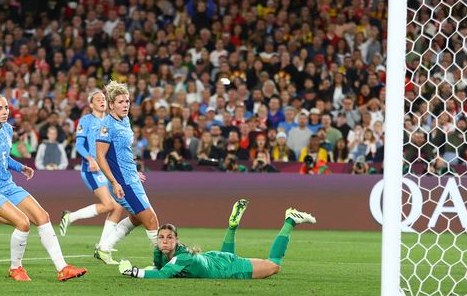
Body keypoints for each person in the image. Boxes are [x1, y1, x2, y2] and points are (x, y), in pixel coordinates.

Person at [0, 92, 87, 281]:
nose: (5, 112)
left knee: (43, 217)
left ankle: (63, 268)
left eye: (6, 107)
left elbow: (2, 157)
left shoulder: (8, 129)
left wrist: (20, 167)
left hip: (8, 185)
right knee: (23, 222)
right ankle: (15, 268)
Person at [118, 199, 316, 279]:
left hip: (225, 269)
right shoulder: (159, 252)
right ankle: (231, 227)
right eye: (161, 237)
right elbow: (158, 269)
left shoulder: (182, 257)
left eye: (170, 237)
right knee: (228, 256)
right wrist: (144, 269)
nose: (165, 241)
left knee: (274, 266)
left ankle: (290, 220)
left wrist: (134, 271)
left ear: (177, 241)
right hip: (214, 258)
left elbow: (162, 276)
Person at [59, 90, 141, 265]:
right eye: (98, 99)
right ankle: (73, 219)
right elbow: (79, 145)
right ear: (91, 104)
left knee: (117, 207)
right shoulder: (86, 121)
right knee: (111, 204)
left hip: (106, 170)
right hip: (92, 169)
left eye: (104, 98)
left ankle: (102, 247)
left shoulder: (110, 121)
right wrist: (90, 159)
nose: (102, 101)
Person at [96, 81, 160, 248]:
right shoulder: (106, 125)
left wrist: (132, 169)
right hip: (123, 183)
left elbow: (123, 151)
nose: (125, 105)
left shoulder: (125, 121)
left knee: (136, 219)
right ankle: (161, 263)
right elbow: (100, 157)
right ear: (111, 105)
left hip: (130, 177)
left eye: (127, 101)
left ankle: (104, 248)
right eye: (120, 102)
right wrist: (114, 182)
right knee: (151, 221)